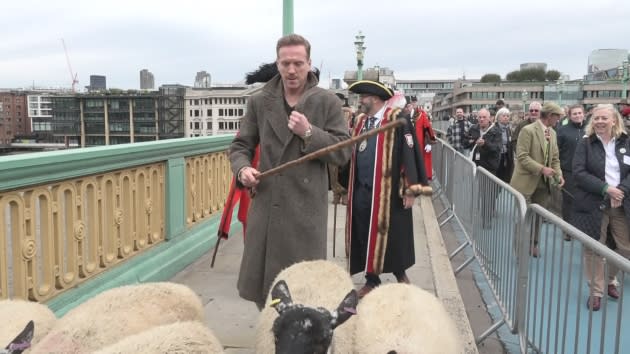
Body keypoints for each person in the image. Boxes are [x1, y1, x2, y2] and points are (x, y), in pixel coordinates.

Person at [229, 34, 352, 308]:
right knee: (267, 297)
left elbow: (343, 151)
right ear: (278, 63)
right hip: (267, 211)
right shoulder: (260, 102)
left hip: (305, 214)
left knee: (303, 294)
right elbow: (240, 146)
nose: (291, 70)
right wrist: (243, 169)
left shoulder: (327, 102)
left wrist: (308, 132)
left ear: (309, 63)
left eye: (298, 63)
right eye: (285, 63)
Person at [344, 80, 429, 298]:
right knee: (365, 232)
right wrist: (344, 186)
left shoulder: (397, 119)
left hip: (388, 190)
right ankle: (372, 280)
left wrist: (410, 188)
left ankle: (400, 275)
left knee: (394, 234)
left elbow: (409, 153)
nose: (360, 101)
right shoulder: (361, 121)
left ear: (375, 98)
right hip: (362, 189)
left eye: (363, 97)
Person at [571, 104, 630, 311]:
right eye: (596, 118)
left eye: (604, 118)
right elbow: (578, 173)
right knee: (594, 247)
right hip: (593, 202)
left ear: (614, 120)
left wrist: (620, 190)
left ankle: (609, 279)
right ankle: (596, 291)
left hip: (621, 202)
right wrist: (606, 189)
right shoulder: (586, 144)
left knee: (625, 248)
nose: (599, 122)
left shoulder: (626, 141)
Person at [510, 102, 565, 257]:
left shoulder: (552, 133)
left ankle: (533, 244)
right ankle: (520, 249)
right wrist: (541, 169)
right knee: (523, 217)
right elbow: (522, 157)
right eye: (557, 117)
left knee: (538, 218)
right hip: (525, 183)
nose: (559, 120)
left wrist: (558, 174)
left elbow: (555, 158)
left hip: (543, 185)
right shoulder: (528, 131)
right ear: (549, 116)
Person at [556, 104, 586, 239]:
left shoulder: (589, 130)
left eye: (580, 113)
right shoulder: (562, 130)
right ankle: (568, 229)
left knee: (584, 200)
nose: (578, 116)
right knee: (568, 200)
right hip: (568, 170)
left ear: (584, 114)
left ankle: (581, 227)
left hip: (587, 172)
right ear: (569, 116)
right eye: (575, 114)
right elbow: (556, 151)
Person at [411, 99, 437, 180]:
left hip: (419, 143)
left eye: (414, 103)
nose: (412, 105)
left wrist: (429, 142)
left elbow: (427, 128)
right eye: (411, 103)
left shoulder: (421, 114)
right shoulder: (404, 115)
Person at [494, 107, 514, 183]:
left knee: (506, 178)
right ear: (498, 117)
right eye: (503, 116)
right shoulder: (494, 128)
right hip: (497, 157)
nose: (506, 118)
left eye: (507, 116)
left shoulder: (508, 129)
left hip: (507, 156)